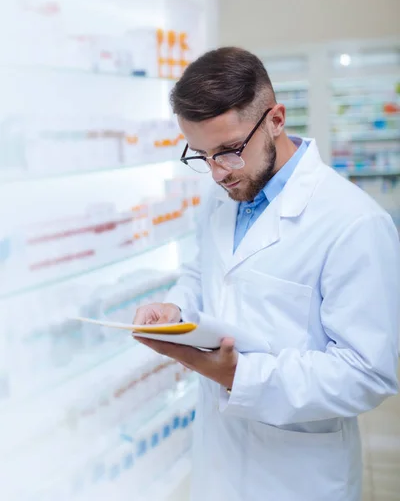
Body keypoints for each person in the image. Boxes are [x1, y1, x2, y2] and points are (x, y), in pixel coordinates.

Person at [133, 47, 400, 501]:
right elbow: (203, 275)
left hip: (298, 476)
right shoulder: (222, 198)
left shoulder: (353, 222)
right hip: (218, 460)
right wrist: (174, 308)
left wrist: (240, 375)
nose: (217, 173)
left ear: (275, 119)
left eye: (229, 151)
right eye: (201, 155)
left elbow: (368, 373)